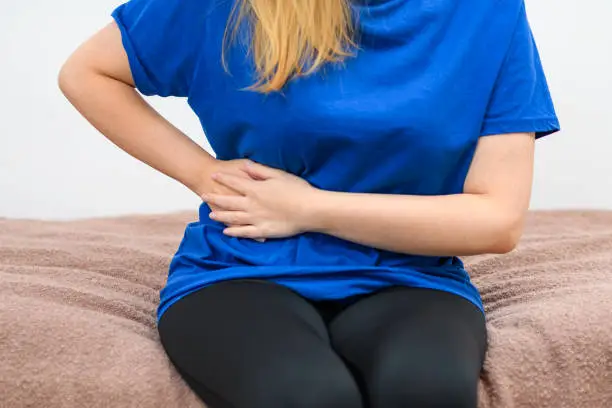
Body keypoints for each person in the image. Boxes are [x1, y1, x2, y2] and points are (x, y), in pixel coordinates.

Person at [59, 0, 560, 406]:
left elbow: (498, 221)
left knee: (426, 392)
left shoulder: (490, 11)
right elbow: (88, 72)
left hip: (412, 276)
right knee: (310, 397)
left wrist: (308, 208)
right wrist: (203, 173)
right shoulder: (226, 6)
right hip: (241, 272)